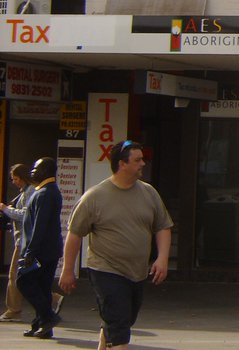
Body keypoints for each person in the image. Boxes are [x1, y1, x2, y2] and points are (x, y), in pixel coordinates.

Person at [60, 140, 173, 350]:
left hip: (137, 272)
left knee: (122, 319)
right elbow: (74, 234)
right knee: (120, 325)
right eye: (138, 160)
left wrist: (162, 258)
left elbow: (163, 227)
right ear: (122, 164)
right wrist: (68, 270)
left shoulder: (149, 193)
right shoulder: (95, 197)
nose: (143, 164)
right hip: (105, 269)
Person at [16, 157, 63, 339]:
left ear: (45, 171)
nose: (33, 171)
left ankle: (49, 317)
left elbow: (39, 226)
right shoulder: (45, 190)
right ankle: (42, 325)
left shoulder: (45, 193)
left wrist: (30, 252)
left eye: (37, 168)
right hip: (47, 249)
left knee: (24, 282)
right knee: (42, 287)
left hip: (41, 250)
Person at [0, 163, 33, 322]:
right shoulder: (25, 192)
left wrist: (6, 209)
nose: (14, 182)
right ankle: (52, 298)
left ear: (22, 178)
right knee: (28, 276)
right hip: (24, 239)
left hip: (24, 240)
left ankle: (14, 310)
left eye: (15, 179)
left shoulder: (29, 192)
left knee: (14, 275)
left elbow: (24, 214)